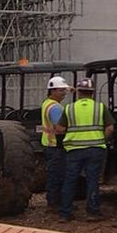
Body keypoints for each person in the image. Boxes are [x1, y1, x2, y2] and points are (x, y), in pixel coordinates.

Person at [54, 78, 113, 222]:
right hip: (95, 149)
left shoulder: (69, 108)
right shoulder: (100, 107)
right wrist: (102, 139)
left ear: (79, 92)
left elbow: (60, 129)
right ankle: (92, 212)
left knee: (70, 180)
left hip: (74, 150)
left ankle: (65, 213)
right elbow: (110, 128)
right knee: (92, 180)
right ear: (92, 93)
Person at [40, 76, 70, 211]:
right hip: (55, 146)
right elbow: (59, 128)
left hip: (49, 144)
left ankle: (54, 202)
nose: (64, 93)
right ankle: (55, 203)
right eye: (61, 90)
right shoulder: (56, 108)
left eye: (65, 90)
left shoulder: (47, 103)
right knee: (57, 176)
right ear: (52, 91)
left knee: (54, 174)